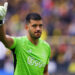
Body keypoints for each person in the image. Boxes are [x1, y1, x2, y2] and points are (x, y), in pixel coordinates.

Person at [0, 2, 51, 75]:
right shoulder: (19, 42)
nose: (38, 29)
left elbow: (45, 72)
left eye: (40, 26)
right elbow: (3, 38)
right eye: (34, 26)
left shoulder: (46, 47)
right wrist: (1, 21)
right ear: (26, 27)